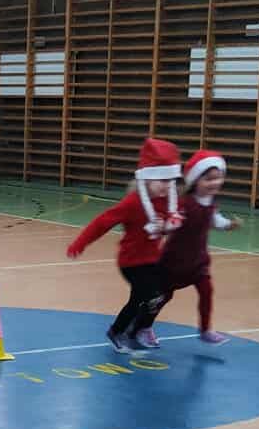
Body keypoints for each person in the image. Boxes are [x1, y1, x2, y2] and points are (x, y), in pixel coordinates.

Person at [65, 137, 183, 353]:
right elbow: (102, 222)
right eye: (161, 180)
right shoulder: (132, 203)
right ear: (147, 179)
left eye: (170, 181)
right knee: (148, 295)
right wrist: (80, 243)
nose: (167, 185)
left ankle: (136, 329)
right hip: (131, 262)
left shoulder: (168, 201)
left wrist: (168, 226)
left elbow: (172, 222)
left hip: (152, 260)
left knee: (162, 293)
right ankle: (120, 332)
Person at [148, 148, 239, 345]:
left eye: (218, 178)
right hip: (174, 260)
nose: (215, 183)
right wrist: (164, 227)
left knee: (206, 290)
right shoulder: (185, 203)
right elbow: (171, 221)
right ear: (195, 180)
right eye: (208, 179)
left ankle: (205, 329)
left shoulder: (210, 202)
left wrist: (227, 224)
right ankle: (143, 325)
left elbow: (214, 219)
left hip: (198, 261)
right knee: (162, 296)